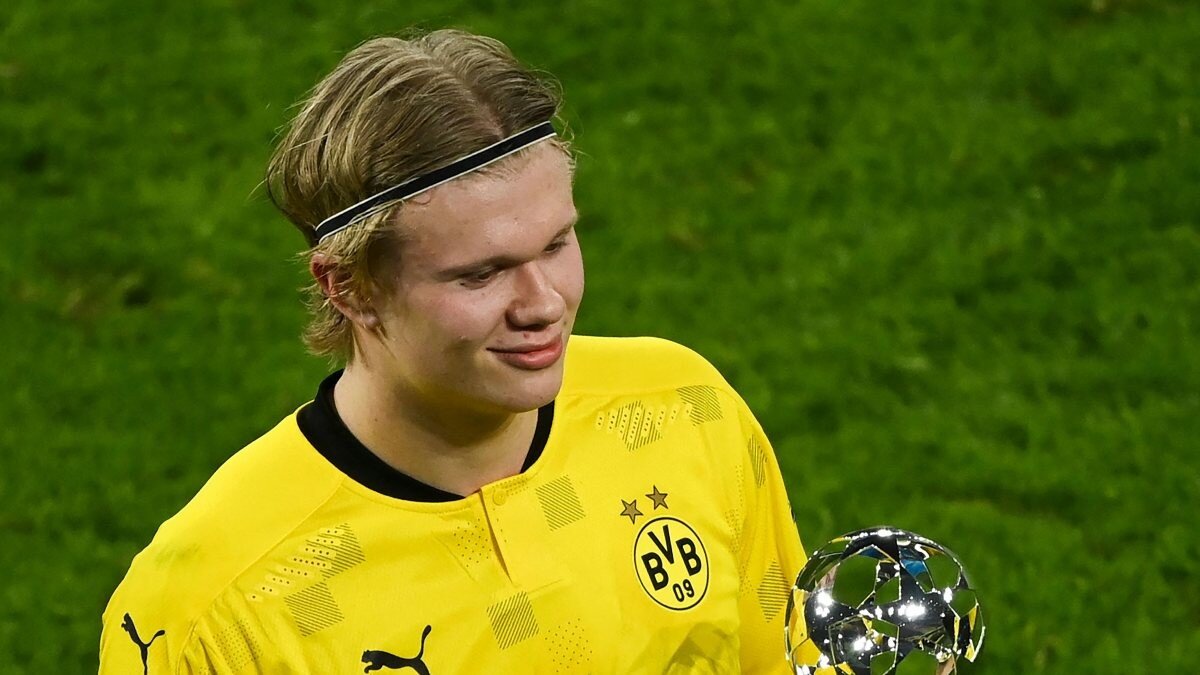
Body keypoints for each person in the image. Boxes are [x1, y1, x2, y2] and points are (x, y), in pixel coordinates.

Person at [100, 29, 805, 673]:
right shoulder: (211, 612)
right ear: (349, 286)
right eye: (481, 274)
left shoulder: (682, 410)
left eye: (556, 244)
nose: (543, 304)